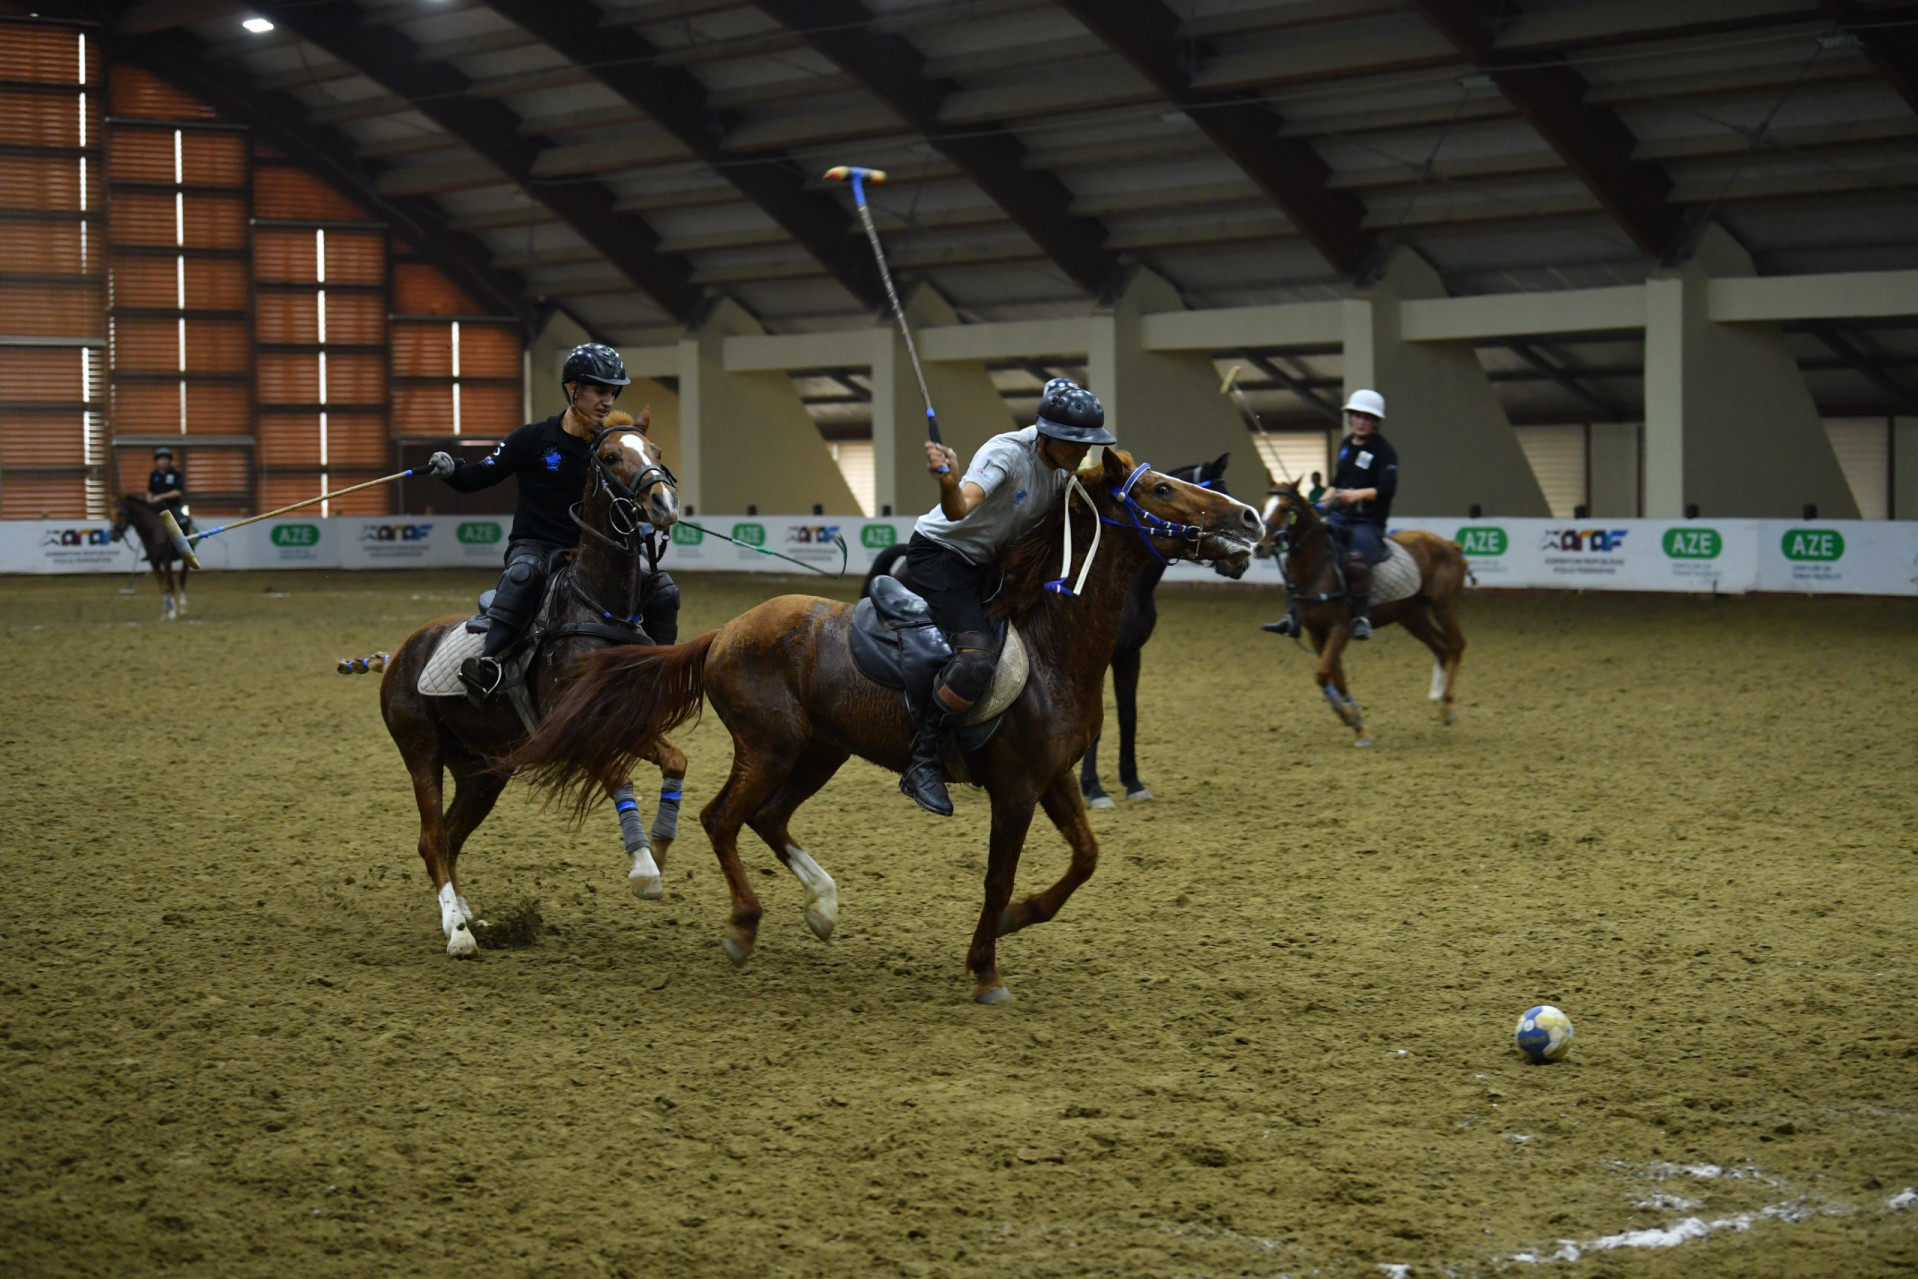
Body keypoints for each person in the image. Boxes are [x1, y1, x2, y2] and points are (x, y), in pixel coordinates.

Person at [898, 378, 1114, 816]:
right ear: (1047, 436)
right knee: (977, 655)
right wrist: (948, 482)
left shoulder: (1062, 470)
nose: (1081, 453)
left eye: (1087, 445)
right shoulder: (1006, 454)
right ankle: (923, 759)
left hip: (988, 564)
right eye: (1074, 444)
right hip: (942, 557)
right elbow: (959, 508)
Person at [425, 343, 680, 702]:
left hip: (596, 554)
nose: (607, 401)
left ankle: (659, 667)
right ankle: (489, 663)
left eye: (612, 392)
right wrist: (451, 471)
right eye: (598, 390)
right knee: (522, 576)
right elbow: (480, 476)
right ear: (573, 389)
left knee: (664, 591)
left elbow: (630, 494)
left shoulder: (611, 449)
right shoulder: (533, 439)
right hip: (538, 547)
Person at [1263, 391, 1398, 640]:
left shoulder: (1383, 450)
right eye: (1356, 416)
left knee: (1356, 562)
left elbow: (1387, 489)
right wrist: (1321, 505)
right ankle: (1292, 614)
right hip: (1339, 518)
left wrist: (1357, 495)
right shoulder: (1347, 445)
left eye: (1366, 417)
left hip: (1367, 522)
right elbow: (1336, 484)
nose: (1360, 421)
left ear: (1375, 421)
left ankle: (1360, 617)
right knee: (1298, 551)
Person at [145, 446, 188, 531]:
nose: (163, 461)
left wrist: (161, 496)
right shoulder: (154, 475)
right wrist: (149, 500)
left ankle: (186, 541)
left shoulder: (176, 474)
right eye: (161, 459)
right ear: (157, 461)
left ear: (169, 460)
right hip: (156, 506)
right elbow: (150, 490)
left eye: (165, 459)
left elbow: (177, 492)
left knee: (182, 522)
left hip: (172, 506)